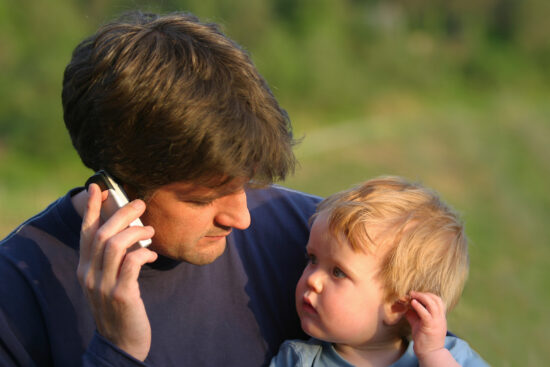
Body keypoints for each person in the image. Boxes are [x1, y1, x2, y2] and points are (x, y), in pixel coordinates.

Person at [0, 11, 321, 367]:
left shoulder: (321, 242)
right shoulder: (13, 292)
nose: (242, 218)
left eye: (246, 183)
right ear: (118, 186)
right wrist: (116, 352)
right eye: (203, 199)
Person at [270, 176, 489, 366]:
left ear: (397, 306)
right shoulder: (298, 360)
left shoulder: (452, 357)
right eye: (313, 259)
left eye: (338, 272)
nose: (313, 279)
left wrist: (433, 356)